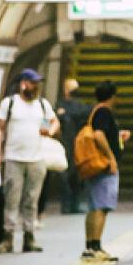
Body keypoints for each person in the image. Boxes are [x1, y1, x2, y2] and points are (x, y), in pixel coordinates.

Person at [0, 68, 59, 253]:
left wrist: (48, 130)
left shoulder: (42, 104)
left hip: (36, 158)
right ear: (23, 83)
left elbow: (53, 121)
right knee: (12, 198)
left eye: (37, 83)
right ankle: (8, 237)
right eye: (32, 82)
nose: (36, 86)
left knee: (32, 199)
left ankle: (29, 237)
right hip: (14, 157)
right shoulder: (10, 103)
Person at [80, 82, 130, 262]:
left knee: (94, 206)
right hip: (104, 166)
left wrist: (118, 136)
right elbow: (99, 135)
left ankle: (89, 247)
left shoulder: (96, 111)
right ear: (112, 96)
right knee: (102, 207)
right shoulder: (104, 112)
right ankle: (96, 246)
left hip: (97, 166)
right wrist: (111, 158)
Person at [55, 77, 91, 215]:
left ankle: (75, 203)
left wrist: (67, 114)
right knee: (65, 176)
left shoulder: (78, 105)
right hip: (65, 144)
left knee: (78, 175)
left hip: (79, 144)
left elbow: (86, 113)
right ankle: (67, 204)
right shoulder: (60, 104)